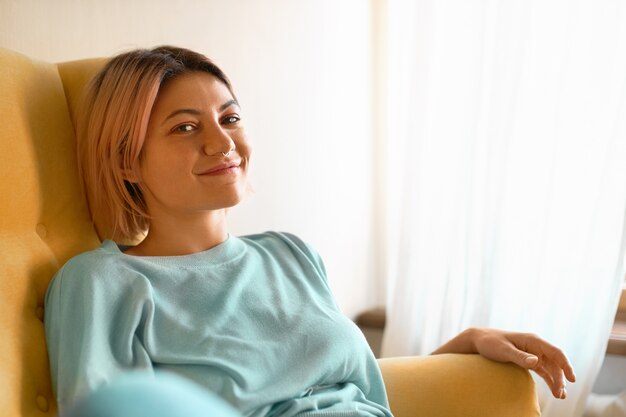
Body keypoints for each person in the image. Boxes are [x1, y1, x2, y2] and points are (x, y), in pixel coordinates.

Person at [44, 46, 576, 417]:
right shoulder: (104, 280)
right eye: (185, 128)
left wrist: (470, 342)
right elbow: (112, 408)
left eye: (229, 118)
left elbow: (352, 389)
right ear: (126, 162)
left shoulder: (290, 255)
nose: (221, 143)